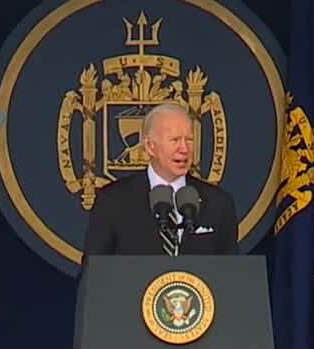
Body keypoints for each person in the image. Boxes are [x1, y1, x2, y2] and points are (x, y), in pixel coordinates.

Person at [81, 102, 239, 257]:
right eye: (175, 140)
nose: (184, 149)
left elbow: (231, 275)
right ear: (150, 146)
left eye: (189, 140)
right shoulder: (112, 201)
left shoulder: (219, 203)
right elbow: (93, 276)